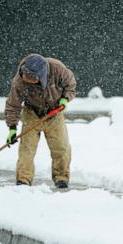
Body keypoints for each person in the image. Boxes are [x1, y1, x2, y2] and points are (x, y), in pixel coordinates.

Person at [5, 53, 76, 188]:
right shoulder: (19, 80)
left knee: (61, 148)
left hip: (54, 112)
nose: (28, 80)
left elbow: (71, 85)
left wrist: (65, 99)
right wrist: (12, 128)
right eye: (26, 78)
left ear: (42, 74)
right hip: (32, 113)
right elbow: (13, 104)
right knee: (27, 149)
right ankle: (23, 180)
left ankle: (61, 178)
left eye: (33, 78)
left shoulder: (57, 69)